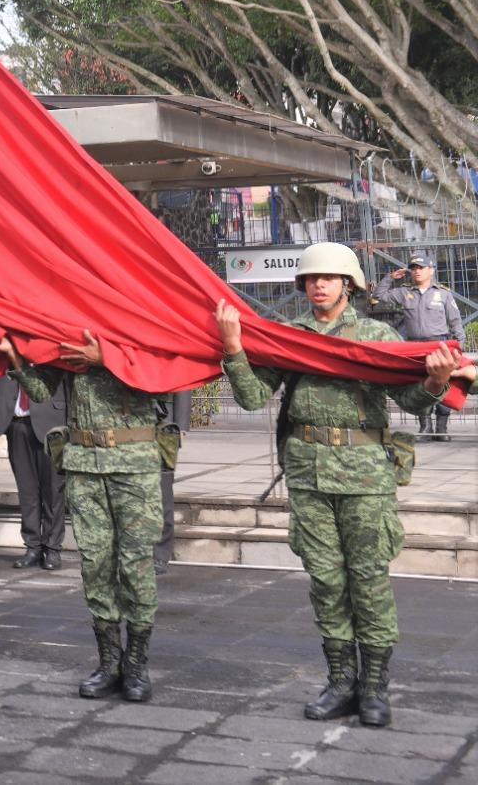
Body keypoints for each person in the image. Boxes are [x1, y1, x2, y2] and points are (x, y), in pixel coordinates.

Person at [217, 241, 468, 728]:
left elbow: (413, 403)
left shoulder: (375, 334)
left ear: (349, 283)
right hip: (308, 475)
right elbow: (250, 398)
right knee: (327, 583)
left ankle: (374, 688)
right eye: (312, 277)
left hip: (365, 476)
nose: (319, 283)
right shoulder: (288, 336)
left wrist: (436, 383)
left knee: (369, 582)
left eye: (330, 277)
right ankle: (339, 681)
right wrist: (233, 349)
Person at [0, 323, 170, 702]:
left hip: (135, 467)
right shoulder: (70, 324)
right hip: (85, 466)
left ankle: (137, 665)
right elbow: (43, 390)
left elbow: (161, 374)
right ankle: (109, 663)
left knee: (135, 567)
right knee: (95, 567)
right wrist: (14, 356)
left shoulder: (140, 315)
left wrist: (107, 357)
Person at [371, 251, 462, 441]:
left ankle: (442, 429)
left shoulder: (443, 293)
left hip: (439, 345)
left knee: (443, 383)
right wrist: (389, 278)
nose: (417, 271)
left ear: (431, 270)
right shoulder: (405, 292)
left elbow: (455, 321)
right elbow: (379, 295)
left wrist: (459, 346)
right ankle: (426, 428)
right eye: (413, 268)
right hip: (415, 347)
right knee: (420, 386)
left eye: (421, 268)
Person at [0, 374, 68, 571]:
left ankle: (52, 548)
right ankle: (32, 547)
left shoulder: (49, 350)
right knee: (27, 493)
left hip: (52, 426)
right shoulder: (8, 350)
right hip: (16, 424)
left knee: (53, 492)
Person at [154, 391, 191, 577]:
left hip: (163, 418)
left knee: (163, 489)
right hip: (128, 420)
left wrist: (182, 423)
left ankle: (160, 553)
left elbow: (182, 372)